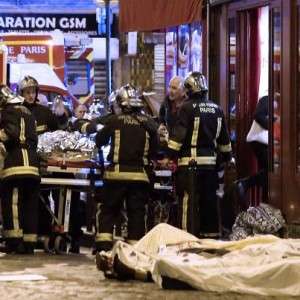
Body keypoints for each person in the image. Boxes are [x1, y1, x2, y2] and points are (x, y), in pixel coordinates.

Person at [165, 72, 232, 237]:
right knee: (209, 201)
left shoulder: (186, 108)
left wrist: (169, 155)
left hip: (190, 165)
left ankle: (186, 238)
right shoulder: (217, 109)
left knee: (188, 201)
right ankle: (210, 237)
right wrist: (225, 159)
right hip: (210, 166)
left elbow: (177, 139)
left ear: (187, 90)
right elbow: (225, 144)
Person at [94, 84, 158, 253]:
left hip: (116, 175)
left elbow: (99, 140)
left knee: (108, 210)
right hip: (139, 177)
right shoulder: (149, 123)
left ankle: (104, 248)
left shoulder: (115, 120)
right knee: (136, 214)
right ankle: (134, 251)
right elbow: (156, 148)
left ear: (122, 104)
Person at [0, 85, 40, 254]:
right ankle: (30, 242)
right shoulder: (28, 112)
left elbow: (12, 133)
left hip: (15, 163)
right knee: (30, 204)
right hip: (32, 163)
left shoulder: (8, 111)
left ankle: (14, 241)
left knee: (12, 202)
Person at [236, 95, 269, 205]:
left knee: (267, 172)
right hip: (259, 141)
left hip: (265, 143)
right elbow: (258, 115)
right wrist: (273, 124)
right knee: (269, 171)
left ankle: (264, 202)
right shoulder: (267, 99)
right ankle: (245, 183)